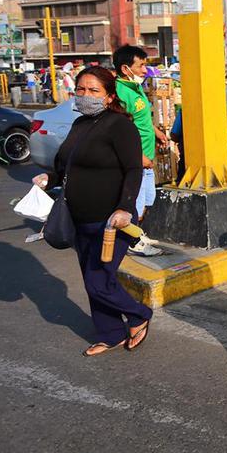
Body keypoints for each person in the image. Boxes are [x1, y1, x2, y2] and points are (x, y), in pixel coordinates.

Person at [32, 67, 153, 357]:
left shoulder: (120, 126)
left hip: (112, 221)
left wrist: (126, 207)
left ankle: (139, 315)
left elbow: (134, 169)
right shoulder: (80, 124)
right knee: (92, 281)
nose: (86, 96)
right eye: (81, 90)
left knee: (99, 281)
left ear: (110, 96)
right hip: (80, 218)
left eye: (94, 90)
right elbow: (66, 165)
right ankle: (110, 333)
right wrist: (50, 178)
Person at [113, 44, 168, 255]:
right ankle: (131, 242)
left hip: (146, 158)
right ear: (126, 69)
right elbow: (119, 131)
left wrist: (156, 132)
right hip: (136, 159)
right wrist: (138, 156)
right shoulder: (120, 92)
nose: (145, 70)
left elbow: (140, 119)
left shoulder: (136, 89)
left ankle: (136, 233)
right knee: (133, 204)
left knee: (146, 200)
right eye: (141, 65)